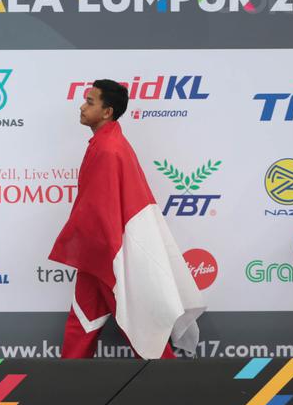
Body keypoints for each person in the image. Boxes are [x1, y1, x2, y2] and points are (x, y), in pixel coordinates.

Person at [49, 79, 204, 359]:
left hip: (109, 254)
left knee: (134, 324)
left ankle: (165, 380)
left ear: (107, 112)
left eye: (90, 102)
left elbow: (101, 210)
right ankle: (67, 380)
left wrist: (108, 258)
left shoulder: (109, 149)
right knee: (85, 322)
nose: (82, 107)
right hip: (101, 252)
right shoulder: (108, 143)